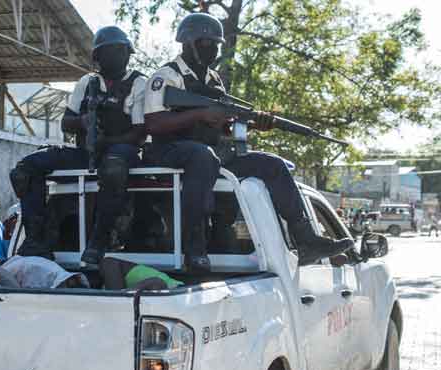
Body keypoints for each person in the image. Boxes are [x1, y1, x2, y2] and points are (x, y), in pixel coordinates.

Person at [143, 13, 353, 273]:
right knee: (202, 156)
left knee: (272, 165)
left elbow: (222, 126)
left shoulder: (214, 80)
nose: (214, 49)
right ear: (187, 43)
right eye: (207, 43)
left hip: (208, 155)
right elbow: (153, 123)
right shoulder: (166, 76)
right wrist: (200, 114)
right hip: (168, 152)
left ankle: (306, 239)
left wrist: (253, 124)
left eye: (216, 44)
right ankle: (194, 248)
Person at [10, 25, 147, 264]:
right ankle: (35, 241)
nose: (116, 56)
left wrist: (109, 141)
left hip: (121, 155)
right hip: (86, 154)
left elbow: (139, 134)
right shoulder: (87, 82)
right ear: (98, 56)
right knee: (25, 169)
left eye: (120, 51)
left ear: (127, 53)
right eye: (110, 51)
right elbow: (65, 122)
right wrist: (83, 122)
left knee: (114, 166)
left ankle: (99, 241)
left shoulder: (138, 83)